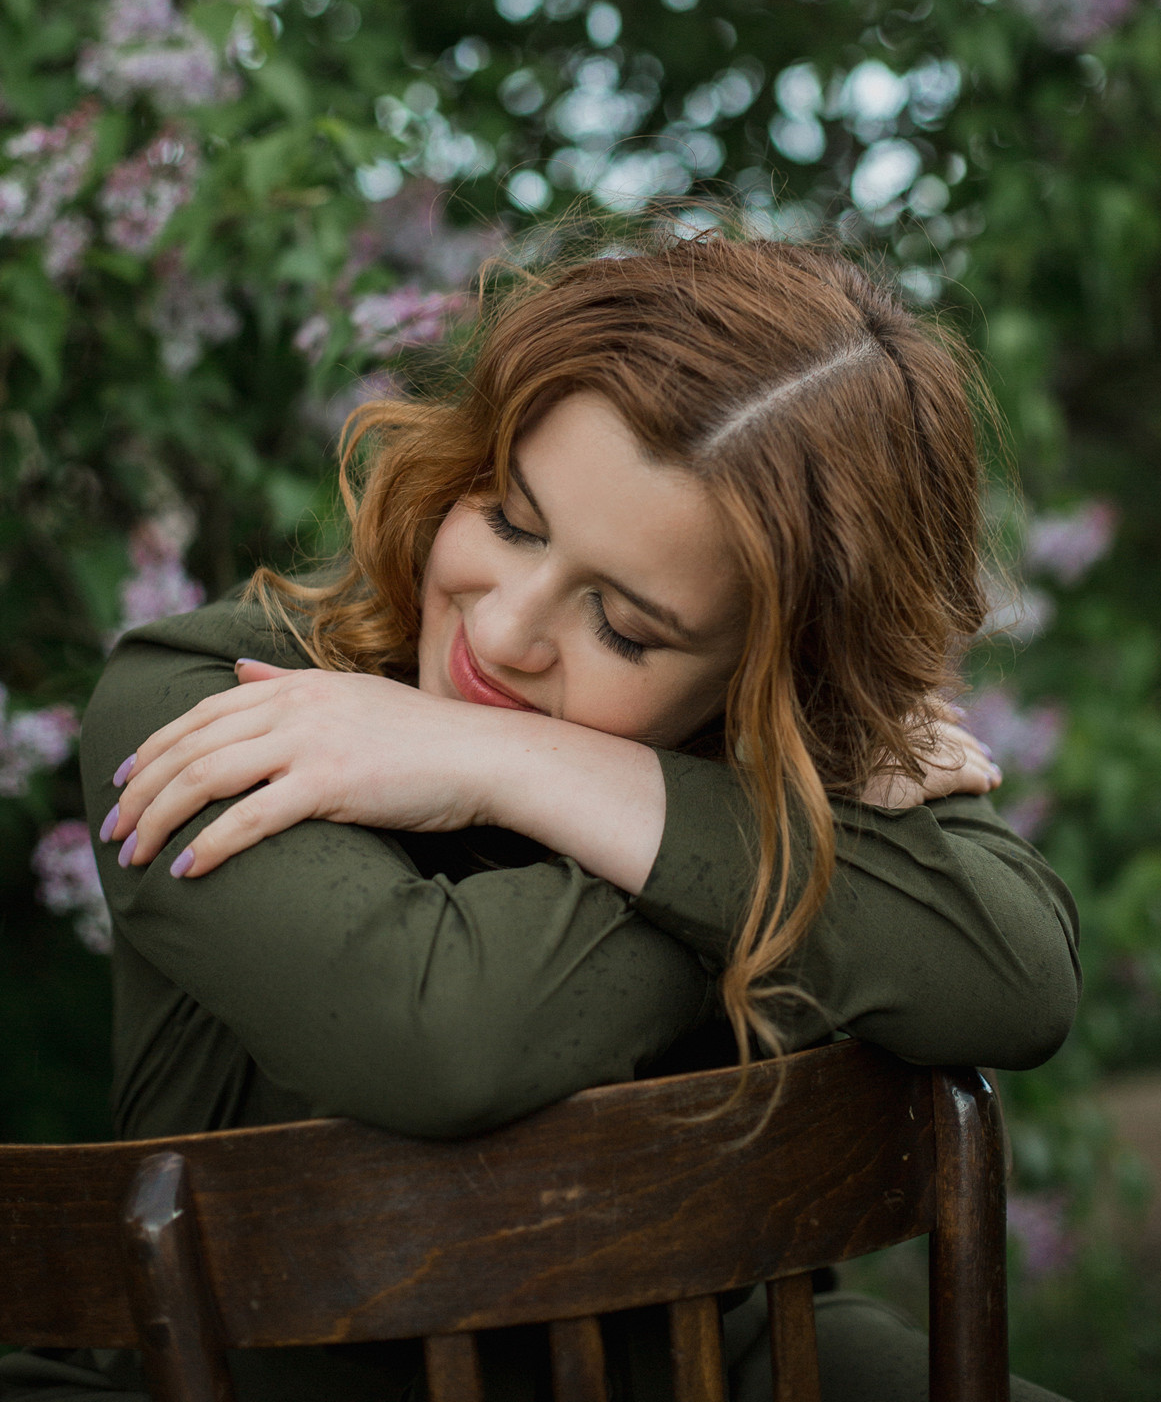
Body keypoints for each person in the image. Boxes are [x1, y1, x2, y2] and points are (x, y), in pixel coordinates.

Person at [1, 234, 1079, 1402]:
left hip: (701, 1359)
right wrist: (751, 845)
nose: (504, 633)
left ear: (769, 675)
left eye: (623, 627)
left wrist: (500, 759)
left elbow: (1011, 971)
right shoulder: (213, 696)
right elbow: (438, 1035)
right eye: (513, 521)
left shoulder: (756, 748)